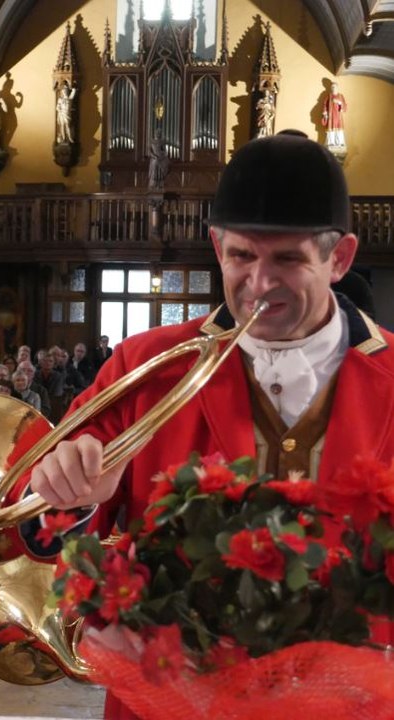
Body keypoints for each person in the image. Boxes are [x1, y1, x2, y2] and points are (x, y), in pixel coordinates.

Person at [25, 132, 391, 719]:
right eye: (242, 256)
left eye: (288, 259)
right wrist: (73, 494)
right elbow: (46, 530)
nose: (260, 283)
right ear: (217, 245)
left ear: (340, 258)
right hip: (167, 704)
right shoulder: (144, 366)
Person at [322, 81, 347, 148]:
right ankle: (331, 143)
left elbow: (345, 105)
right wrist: (325, 112)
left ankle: (340, 143)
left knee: (339, 129)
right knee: (331, 129)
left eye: (334, 87)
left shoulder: (341, 96)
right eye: (332, 87)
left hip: (338, 115)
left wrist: (339, 102)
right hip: (331, 115)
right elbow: (324, 104)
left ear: (337, 87)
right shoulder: (329, 96)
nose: (333, 88)